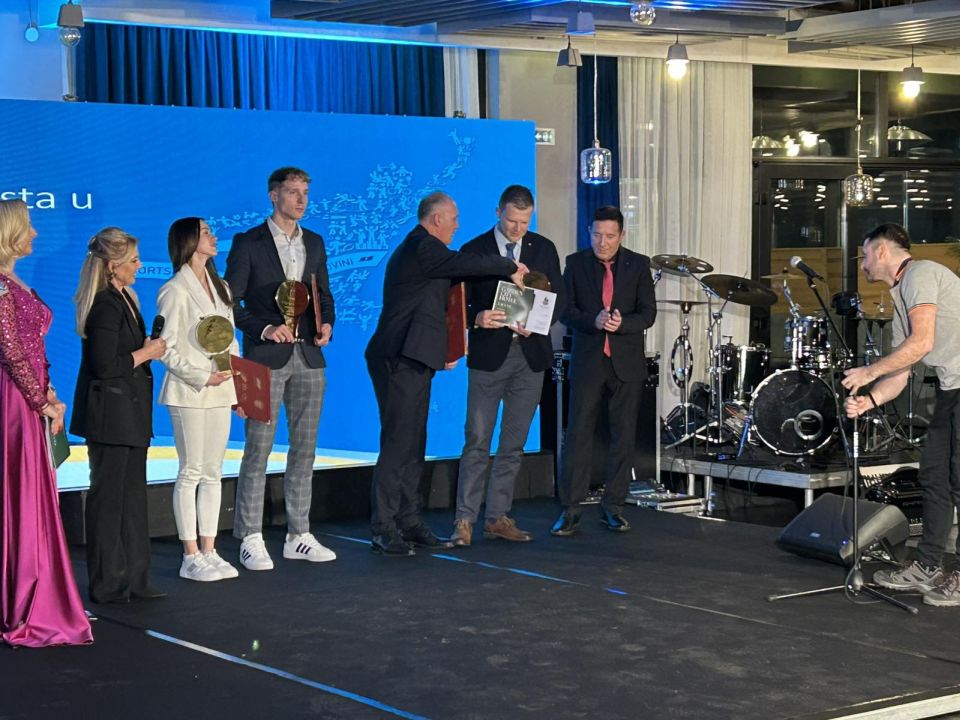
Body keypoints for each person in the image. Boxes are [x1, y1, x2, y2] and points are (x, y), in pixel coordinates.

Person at [365, 191, 528, 557]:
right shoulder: (422, 246)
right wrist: (508, 266)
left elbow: (441, 307)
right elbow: (464, 264)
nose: (457, 225)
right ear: (436, 219)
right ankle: (384, 527)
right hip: (398, 357)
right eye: (453, 218)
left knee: (414, 442)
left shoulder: (429, 255)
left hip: (416, 357)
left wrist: (447, 348)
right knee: (398, 443)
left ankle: (409, 521)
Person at [842, 222, 960, 607]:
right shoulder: (901, 298)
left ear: (881, 250)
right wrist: (870, 400)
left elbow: (922, 342)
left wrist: (867, 372)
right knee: (934, 476)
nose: (863, 265)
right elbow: (900, 372)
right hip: (952, 388)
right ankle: (927, 566)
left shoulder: (920, 273)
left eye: (864, 255)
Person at [225, 166, 337, 571]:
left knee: (305, 449)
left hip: (308, 356)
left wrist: (326, 324)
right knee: (258, 448)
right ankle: (250, 536)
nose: (301, 200)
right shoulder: (249, 242)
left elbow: (323, 294)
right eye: (293, 192)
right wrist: (265, 328)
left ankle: (298, 534)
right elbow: (231, 301)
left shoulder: (315, 242)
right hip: (265, 358)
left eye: (305, 192)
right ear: (274, 196)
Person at [450, 185, 564, 547]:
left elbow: (558, 300)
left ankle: (497, 516)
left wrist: (540, 323)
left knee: (514, 443)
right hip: (489, 356)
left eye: (524, 222)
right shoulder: (474, 250)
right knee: (477, 440)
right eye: (512, 221)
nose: (517, 229)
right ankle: (464, 520)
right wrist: (477, 317)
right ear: (498, 212)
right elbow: (457, 301)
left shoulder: (544, 248)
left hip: (530, 357)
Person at [0, 200, 92, 647]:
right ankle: (21, 604)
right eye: (28, 227)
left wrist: (49, 391)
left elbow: (31, 349)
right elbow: (11, 351)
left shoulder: (14, 281)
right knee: (17, 493)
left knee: (30, 494)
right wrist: (42, 402)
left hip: (29, 398)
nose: (35, 233)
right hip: (14, 404)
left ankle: (33, 596)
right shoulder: (0, 286)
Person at [71, 227, 167, 604]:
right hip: (110, 416)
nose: (139, 266)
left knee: (132, 500)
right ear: (113, 265)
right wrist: (146, 353)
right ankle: (107, 582)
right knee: (109, 500)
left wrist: (143, 350)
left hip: (130, 413)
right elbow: (104, 364)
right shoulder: (105, 304)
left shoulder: (125, 298)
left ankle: (136, 578)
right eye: (133, 260)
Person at [551, 206, 657, 537]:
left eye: (610, 236)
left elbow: (648, 314)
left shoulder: (639, 264)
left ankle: (613, 507)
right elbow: (565, 311)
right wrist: (592, 320)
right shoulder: (575, 263)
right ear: (589, 232)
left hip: (626, 363)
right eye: (597, 234)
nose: (603, 242)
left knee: (623, 437)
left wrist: (623, 323)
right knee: (578, 435)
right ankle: (570, 509)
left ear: (622, 235)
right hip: (588, 360)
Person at [157, 218, 242, 582]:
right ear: (188, 241)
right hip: (189, 390)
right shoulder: (174, 290)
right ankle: (190, 554)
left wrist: (236, 381)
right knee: (191, 470)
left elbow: (229, 339)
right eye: (206, 232)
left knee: (213, 471)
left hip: (221, 388)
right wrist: (201, 375)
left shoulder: (221, 287)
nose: (213, 237)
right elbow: (165, 347)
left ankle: (210, 549)